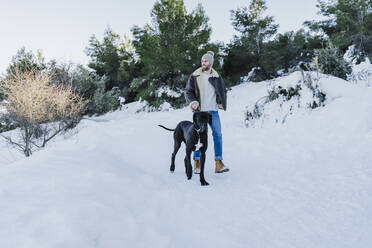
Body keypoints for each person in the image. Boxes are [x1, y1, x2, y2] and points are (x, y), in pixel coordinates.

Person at [185, 51, 229, 174]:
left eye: (205, 61)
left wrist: (222, 101)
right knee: (199, 137)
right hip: (200, 112)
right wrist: (193, 102)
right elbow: (188, 91)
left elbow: (222, 90)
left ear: (211, 62)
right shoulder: (195, 75)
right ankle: (197, 162)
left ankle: (218, 163)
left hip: (213, 111)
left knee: (218, 135)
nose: (203, 63)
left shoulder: (216, 76)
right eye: (202, 61)